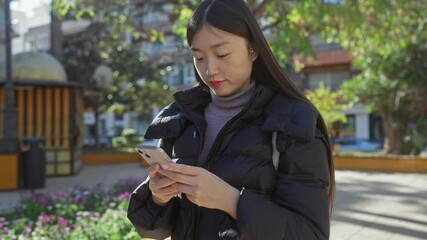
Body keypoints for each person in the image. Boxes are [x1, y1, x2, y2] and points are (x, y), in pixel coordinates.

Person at [127, 0, 335, 239]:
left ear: (253, 49)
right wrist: (158, 198)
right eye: (199, 57)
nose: (210, 69)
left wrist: (232, 201)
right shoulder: (180, 117)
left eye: (222, 53)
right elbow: (153, 231)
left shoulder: (293, 123)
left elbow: (311, 234)